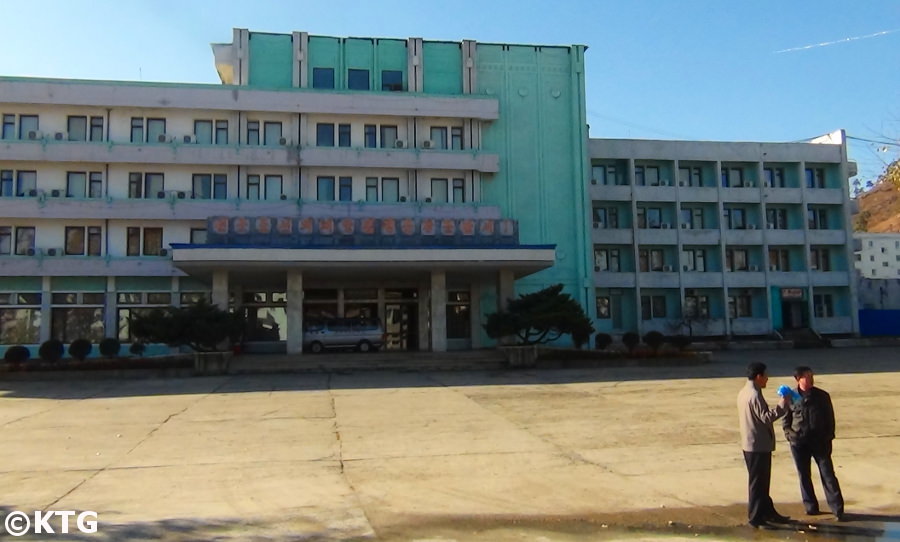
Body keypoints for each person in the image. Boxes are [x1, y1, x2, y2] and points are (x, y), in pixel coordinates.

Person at [782, 366, 845, 520]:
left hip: (819, 442)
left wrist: (828, 436)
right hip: (799, 442)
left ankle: (837, 508)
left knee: (828, 474)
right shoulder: (790, 396)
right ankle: (810, 506)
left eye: (811, 376)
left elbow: (830, 418)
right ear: (798, 379)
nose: (810, 379)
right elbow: (786, 421)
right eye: (806, 377)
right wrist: (790, 435)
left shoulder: (822, 396)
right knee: (804, 475)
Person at [737, 361, 792, 529]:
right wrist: (783, 403)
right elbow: (766, 417)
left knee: (761, 482)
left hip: (751, 443)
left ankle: (768, 512)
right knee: (758, 483)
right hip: (757, 445)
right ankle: (755, 517)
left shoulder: (744, 392)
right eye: (766, 376)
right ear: (759, 376)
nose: (767, 379)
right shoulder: (754, 395)